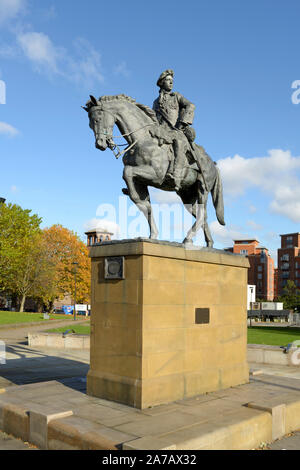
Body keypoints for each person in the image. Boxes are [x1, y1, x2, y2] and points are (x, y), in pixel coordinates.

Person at [152, 69, 195, 190]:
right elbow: (154, 118)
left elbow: (190, 106)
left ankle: (175, 175)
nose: (171, 83)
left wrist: (182, 123)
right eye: (168, 80)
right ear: (161, 83)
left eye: (172, 81)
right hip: (161, 131)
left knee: (178, 143)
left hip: (176, 130)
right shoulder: (156, 102)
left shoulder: (176, 96)